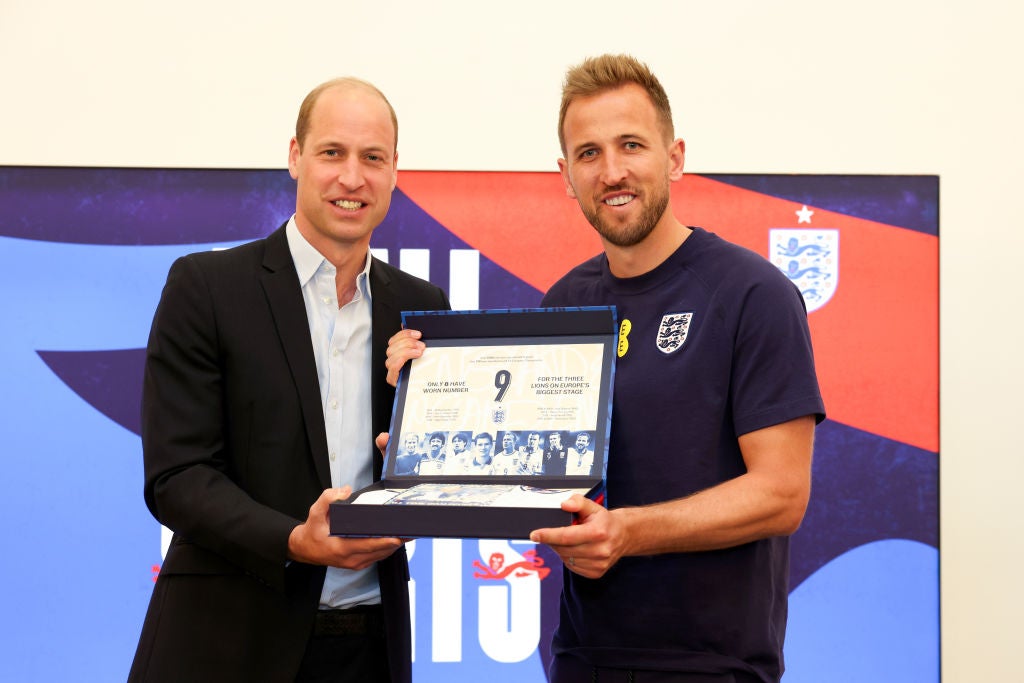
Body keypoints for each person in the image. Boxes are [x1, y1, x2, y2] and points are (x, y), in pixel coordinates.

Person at [386, 54, 824, 682]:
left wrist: (628, 533)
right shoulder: (566, 302)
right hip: (583, 656)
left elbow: (782, 494)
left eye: (631, 145)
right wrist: (425, 439)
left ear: (673, 156)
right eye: (588, 153)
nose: (612, 171)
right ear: (566, 174)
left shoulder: (752, 294)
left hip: (710, 666)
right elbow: (530, 465)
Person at [130, 77, 450, 683]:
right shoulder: (207, 288)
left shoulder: (420, 306)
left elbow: (437, 472)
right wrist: (293, 539)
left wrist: (422, 454)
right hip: (226, 644)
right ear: (295, 156)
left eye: (372, 158)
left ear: (394, 171)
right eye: (332, 153)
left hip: (369, 647)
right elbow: (177, 476)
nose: (352, 178)